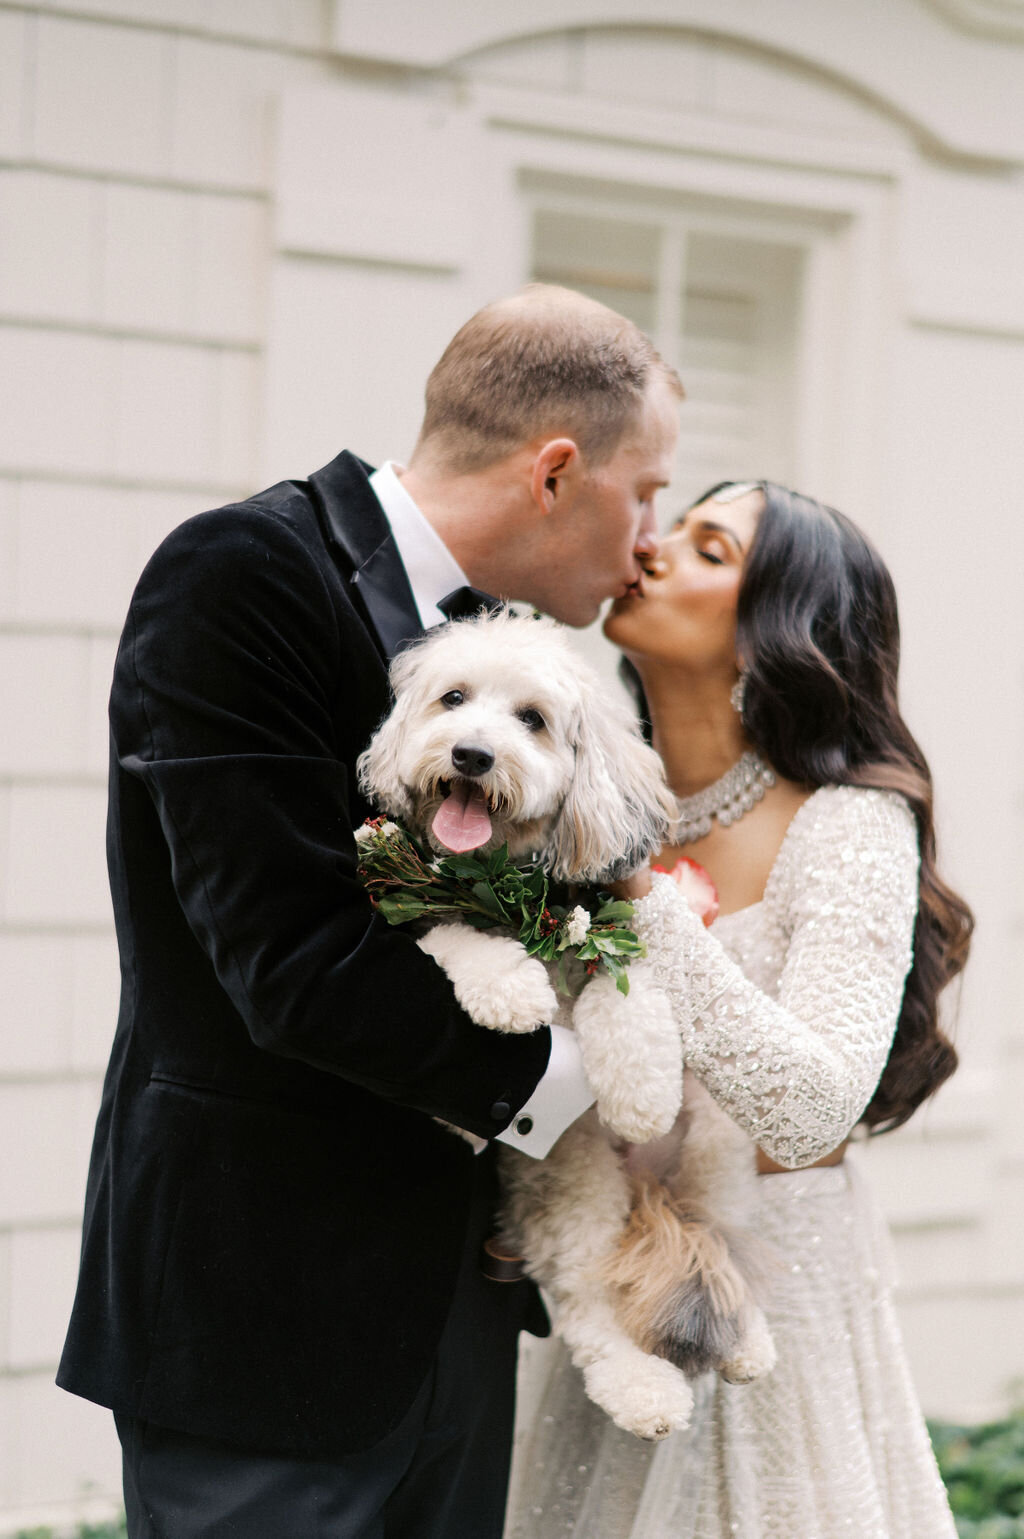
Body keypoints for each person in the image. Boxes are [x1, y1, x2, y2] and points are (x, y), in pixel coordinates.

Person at [56, 284, 684, 1539]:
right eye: (649, 489)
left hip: (454, 1299)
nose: (651, 540)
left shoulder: (535, 671)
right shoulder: (244, 575)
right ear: (556, 472)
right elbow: (290, 962)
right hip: (264, 1317)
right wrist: (576, 1096)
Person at [504, 481, 973, 1539]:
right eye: (673, 526)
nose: (653, 548)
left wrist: (635, 895)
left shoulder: (850, 826)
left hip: (777, 1299)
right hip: (605, 1293)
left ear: (773, 635)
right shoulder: (569, 785)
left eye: (707, 547)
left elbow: (809, 1109)